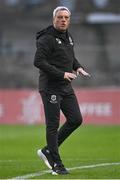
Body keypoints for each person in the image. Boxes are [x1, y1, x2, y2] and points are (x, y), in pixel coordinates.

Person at [34, 6, 90, 175]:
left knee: (76, 119)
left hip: (65, 87)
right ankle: (57, 165)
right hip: (50, 87)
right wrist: (62, 73)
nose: (63, 20)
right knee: (52, 125)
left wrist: (78, 67)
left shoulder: (68, 36)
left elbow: (69, 56)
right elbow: (38, 61)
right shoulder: (46, 38)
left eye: (66, 17)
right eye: (60, 17)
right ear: (54, 19)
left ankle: (47, 150)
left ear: (69, 19)